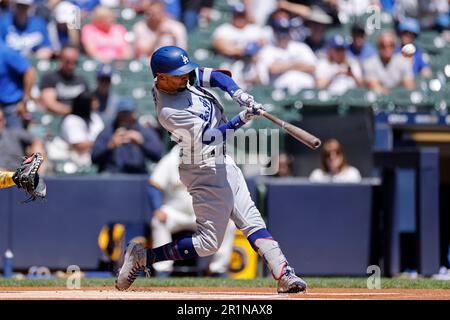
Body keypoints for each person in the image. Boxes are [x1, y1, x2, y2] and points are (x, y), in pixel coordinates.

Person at [115, 45, 308, 294]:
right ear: (161, 76)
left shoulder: (181, 79)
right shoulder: (169, 111)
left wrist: (238, 93)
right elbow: (210, 138)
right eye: (178, 74)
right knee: (208, 244)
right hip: (202, 168)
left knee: (251, 220)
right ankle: (142, 258)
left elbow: (217, 76)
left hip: (221, 161)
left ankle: (284, 274)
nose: (186, 76)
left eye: (186, 71)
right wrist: (242, 119)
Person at [148, 145, 236, 277]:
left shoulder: (211, 158)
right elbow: (154, 185)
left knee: (229, 223)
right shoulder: (171, 159)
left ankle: (218, 270)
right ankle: (162, 270)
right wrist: (157, 208)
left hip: (203, 213)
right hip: (175, 213)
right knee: (158, 221)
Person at [91, 97, 163, 174]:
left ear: (134, 114)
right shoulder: (108, 132)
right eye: (122, 114)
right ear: (118, 115)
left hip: (137, 176)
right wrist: (110, 146)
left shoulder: (143, 132)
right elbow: (94, 158)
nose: (125, 117)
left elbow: (158, 155)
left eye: (128, 113)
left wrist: (142, 143)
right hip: (112, 177)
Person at [212, 3, 270, 88]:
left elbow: (261, 42)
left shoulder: (253, 28)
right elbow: (219, 45)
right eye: (237, 15)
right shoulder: (224, 29)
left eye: (242, 15)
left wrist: (250, 50)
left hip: (251, 62)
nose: (240, 18)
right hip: (231, 62)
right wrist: (243, 50)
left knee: (263, 63)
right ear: (233, 15)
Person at [258, 18, 316, 95]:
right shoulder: (268, 50)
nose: (283, 35)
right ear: (274, 32)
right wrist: (296, 64)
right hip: (280, 92)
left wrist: (283, 65)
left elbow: (312, 67)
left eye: (285, 31)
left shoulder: (301, 47)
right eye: (281, 31)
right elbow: (273, 69)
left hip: (305, 90)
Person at [39, 45, 89, 115]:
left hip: (80, 119)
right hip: (57, 118)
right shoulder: (50, 78)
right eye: (68, 62)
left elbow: (91, 102)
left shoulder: (81, 79)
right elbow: (50, 104)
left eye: (74, 62)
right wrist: (74, 111)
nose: (71, 66)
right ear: (60, 60)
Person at [59, 91, 104, 167]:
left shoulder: (95, 117)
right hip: (74, 161)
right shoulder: (71, 120)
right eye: (94, 102)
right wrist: (103, 142)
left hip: (94, 157)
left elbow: (103, 135)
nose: (97, 104)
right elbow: (79, 145)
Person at [363, 31, 415, 95]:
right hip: (378, 102)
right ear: (378, 46)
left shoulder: (403, 62)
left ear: (395, 46)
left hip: (400, 101)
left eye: (391, 45)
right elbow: (374, 87)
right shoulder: (369, 63)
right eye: (383, 45)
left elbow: (409, 87)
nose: (387, 48)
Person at [0, 39, 36, 128]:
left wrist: (24, 100)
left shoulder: (5, 51)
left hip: (12, 106)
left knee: (15, 137)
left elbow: (29, 72)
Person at [0, 108, 47, 173]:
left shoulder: (14, 133)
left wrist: (35, 157)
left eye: (0, 120)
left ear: (4, 120)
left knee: (38, 151)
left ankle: (38, 176)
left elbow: (37, 141)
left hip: (17, 175)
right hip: (2, 177)